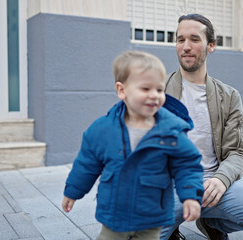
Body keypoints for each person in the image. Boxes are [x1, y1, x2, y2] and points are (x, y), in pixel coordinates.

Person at [62, 51, 205, 240]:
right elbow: (87, 164)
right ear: (122, 91)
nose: (154, 95)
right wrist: (73, 191)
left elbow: (187, 165)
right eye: (145, 89)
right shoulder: (102, 130)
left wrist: (190, 196)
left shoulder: (172, 130)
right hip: (115, 216)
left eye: (159, 90)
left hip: (151, 217)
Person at [160, 14, 243, 240]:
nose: (185, 47)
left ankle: (212, 222)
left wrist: (221, 179)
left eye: (194, 39)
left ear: (211, 45)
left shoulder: (229, 96)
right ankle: (172, 225)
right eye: (180, 39)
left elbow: (239, 152)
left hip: (211, 186)